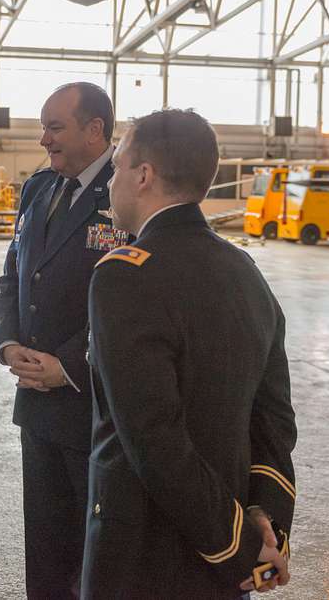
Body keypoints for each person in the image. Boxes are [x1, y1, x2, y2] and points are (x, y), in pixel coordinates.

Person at [83, 108, 296, 599]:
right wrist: (264, 528)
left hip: (144, 554)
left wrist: (237, 543)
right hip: (228, 556)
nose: (110, 181)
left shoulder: (125, 276)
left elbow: (153, 437)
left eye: (116, 167)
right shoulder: (244, 270)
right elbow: (274, 421)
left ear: (143, 175)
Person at [0, 82, 129, 598]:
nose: (43, 140)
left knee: (98, 551)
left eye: (55, 127)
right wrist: (7, 343)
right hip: (36, 402)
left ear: (95, 130)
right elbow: (13, 276)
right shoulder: (39, 188)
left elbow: (130, 302)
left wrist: (68, 364)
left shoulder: (127, 188)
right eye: (43, 126)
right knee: (45, 549)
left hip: (93, 403)